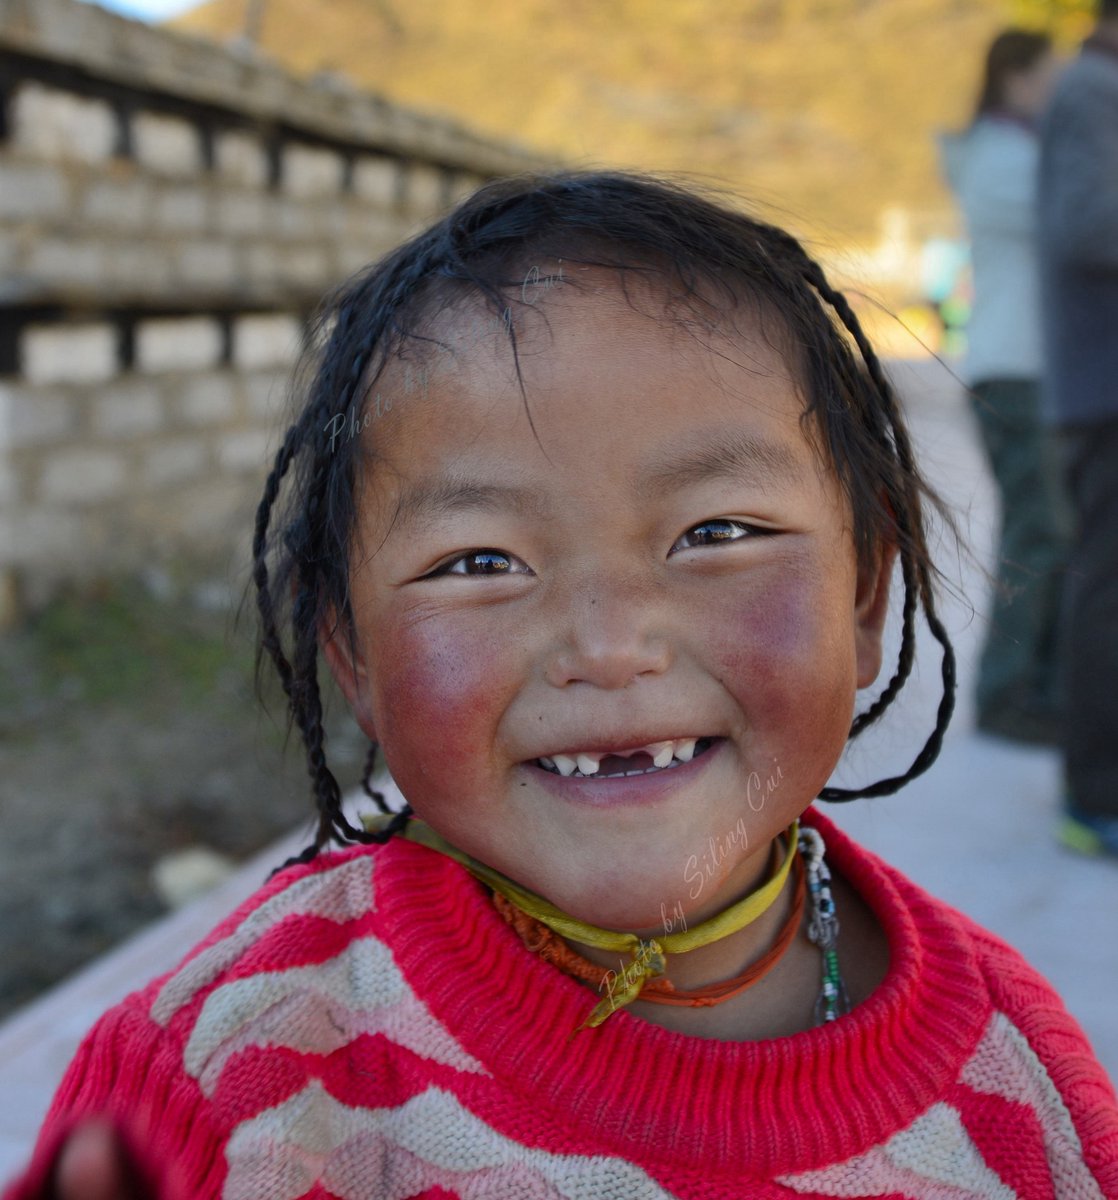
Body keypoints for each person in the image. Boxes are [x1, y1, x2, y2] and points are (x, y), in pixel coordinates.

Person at [5, 173, 1118, 1200]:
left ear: (862, 600)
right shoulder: (218, 1069)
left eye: (716, 532)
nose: (609, 644)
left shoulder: (1023, 1097)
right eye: (479, 563)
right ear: (351, 654)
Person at [940, 29, 1069, 745]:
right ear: (1019, 78)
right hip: (1016, 371)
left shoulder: (1011, 152)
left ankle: (1039, 694)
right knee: (1039, 532)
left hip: (1027, 368)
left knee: (1056, 533)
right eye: (1052, 74)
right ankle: (1009, 696)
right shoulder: (1004, 161)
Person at [1038, 1, 1118, 859]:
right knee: (1109, 595)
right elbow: (1087, 224)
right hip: (1106, 389)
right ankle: (1095, 799)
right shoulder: (1092, 90)